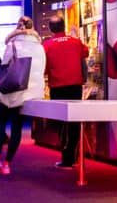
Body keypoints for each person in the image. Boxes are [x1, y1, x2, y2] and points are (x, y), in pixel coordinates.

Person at [0, 16, 46, 175]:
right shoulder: (39, 47)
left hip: (10, 90)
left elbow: (5, 65)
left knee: (1, 121)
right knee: (17, 127)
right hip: (27, 92)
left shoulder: (12, 44)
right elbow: (41, 69)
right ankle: (7, 164)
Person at [42, 16, 89, 169]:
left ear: (50, 28)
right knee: (74, 122)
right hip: (75, 87)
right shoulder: (75, 42)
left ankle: (66, 158)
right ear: (64, 26)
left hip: (57, 87)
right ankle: (73, 157)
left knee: (62, 124)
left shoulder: (47, 45)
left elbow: (44, 68)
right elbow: (86, 53)